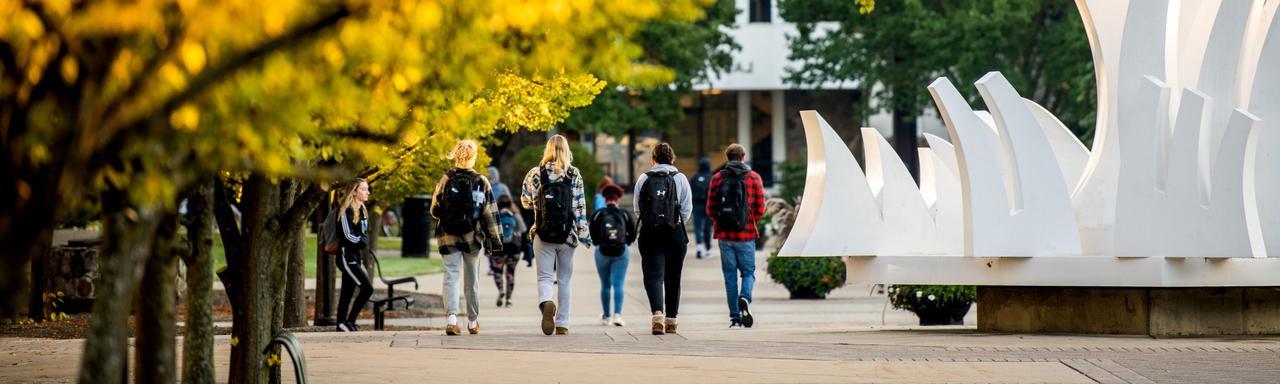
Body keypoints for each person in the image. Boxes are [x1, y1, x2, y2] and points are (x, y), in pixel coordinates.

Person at [521, 134, 592, 335]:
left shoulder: (536, 173)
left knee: (544, 277)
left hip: (542, 234)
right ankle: (563, 323)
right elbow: (579, 208)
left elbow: (526, 201)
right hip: (567, 236)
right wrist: (584, 235)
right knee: (564, 280)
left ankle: (546, 303)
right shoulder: (574, 174)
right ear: (566, 150)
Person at [431, 140, 503, 336]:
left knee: (451, 276)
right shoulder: (481, 181)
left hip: (447, 236)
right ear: (474, 156)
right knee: (472, 280)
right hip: (473, 237)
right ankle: (472, 322)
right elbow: (490, 214)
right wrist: (496, 241)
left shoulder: (445, 179)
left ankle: (452, 320)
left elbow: (434, 210)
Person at [634, 142, 692, 335]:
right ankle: (672, 320)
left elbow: (637, 209)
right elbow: (686, 208)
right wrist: (673, 222)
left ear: (653, 159)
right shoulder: (681, 178)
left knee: (653, 275)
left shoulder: (644, 178)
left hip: (650, 233)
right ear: (672, 159)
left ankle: (657, 313)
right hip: (675, 233)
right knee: (673, 276)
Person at [707, 144, 766, 329]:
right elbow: (761, 208)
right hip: (746, 234)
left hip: (725, 235)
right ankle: (745, 298)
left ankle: (735, 318)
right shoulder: (754, 177)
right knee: (748, 272)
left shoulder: (717, 178)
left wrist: (721, 222)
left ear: (727, 157)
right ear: (743, 156)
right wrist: (748, 220)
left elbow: (710, 208)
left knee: (730, 276)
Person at [589, 184, 636, 327]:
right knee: (619, 284)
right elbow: (633, 232)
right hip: (621, 252)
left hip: (602, 252)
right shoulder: (625, 214)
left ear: (605, 198)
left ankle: (606, 316)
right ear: (618, 199)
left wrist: (598, 243)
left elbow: (592, 232)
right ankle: (618, 315)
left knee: (605, 285)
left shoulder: (599, 214)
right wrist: (625, 242)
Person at [335, 178, 374, 332]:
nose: (367, 192)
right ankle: (349, 320)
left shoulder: (362, 209)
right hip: (346, 256)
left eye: (367, 189)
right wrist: (362, 240)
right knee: (367, 288)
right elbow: (347, 235)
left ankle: (342, 323)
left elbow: (361, 234)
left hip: (354, 256)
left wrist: (361, 240)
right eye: (364, 189)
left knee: (347, 290)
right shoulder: (346, 210)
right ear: (354, 191)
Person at [489, 194, 526, 308]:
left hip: (498, 248)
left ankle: (501, 290)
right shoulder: (515, 215)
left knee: (497, 271)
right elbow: (523, 230)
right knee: (510, 273)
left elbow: (489, 231)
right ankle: (509, 299)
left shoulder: (494, 215)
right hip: (514, 248)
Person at [690, 157, 714, 259]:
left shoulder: (695, 178)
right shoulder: (712, 178)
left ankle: (699, 248)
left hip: (697, 206)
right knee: (707, 228)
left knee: (698, 228)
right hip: (708, 206)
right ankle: (708, 249)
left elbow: (690, 192)